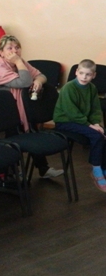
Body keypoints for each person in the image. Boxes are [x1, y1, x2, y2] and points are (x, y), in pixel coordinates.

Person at [0, 35, 62, 178]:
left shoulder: (20, 62)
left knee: (29, 128)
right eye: (9, 48)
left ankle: (42, 169)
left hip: (9, 107)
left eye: (17, 47)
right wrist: (18, 62)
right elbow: (25, 82)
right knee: (15, 131)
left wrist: (38, 81)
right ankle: (12, 172)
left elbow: (41, 75)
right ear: (1, 52)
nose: (14, 51)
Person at [54, 59, 104, 190]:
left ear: (94, 75)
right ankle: (96, 169)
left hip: (81, 121)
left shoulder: (92, 88)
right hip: (65, 122)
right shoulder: (68, 88)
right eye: (81, 73)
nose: (84, 77)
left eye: (88, 74)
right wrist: (89, 125)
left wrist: (96, 123)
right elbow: (71, 113)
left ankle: (103, 167)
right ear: (76, 72)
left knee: (102, 134)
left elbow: (95, 109)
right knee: (96, 136)